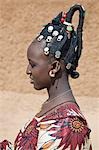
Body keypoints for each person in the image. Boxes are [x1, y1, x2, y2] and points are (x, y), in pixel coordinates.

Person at [0, 4, 92, 150]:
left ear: (54, 68)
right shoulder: (52, 106)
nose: (27, 71)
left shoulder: (69, 127)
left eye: (33, 64)